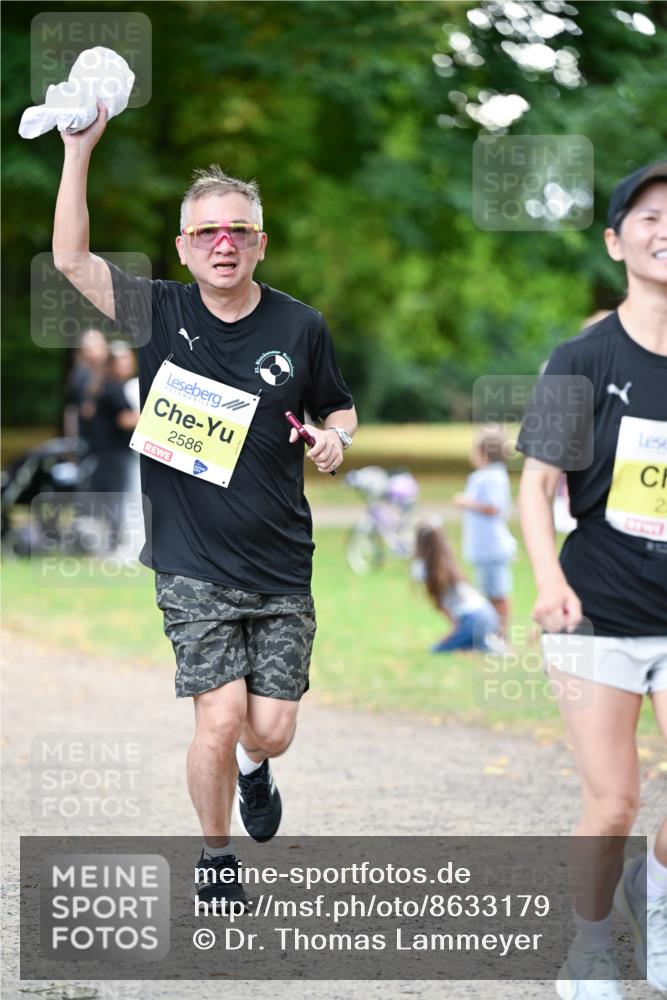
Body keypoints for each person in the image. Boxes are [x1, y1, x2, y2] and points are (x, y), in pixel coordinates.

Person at [51, 100, 357, 908]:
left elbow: (339, 406)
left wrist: (334, 439)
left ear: (260, 241)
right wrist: (79, 150)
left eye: (239, 231)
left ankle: (257, 771)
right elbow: (72, 259)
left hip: (281, 561)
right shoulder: (160, 311)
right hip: (190, 562)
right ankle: (215, 855)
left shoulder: (300, 325)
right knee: (216, 720)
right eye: (206, 232)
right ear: (186, 247)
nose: (224, 243)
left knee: (269, 730)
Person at [517, 161, 667, 998]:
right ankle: (586, 949)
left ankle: (656, 901)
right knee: (612, 803)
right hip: (596, 611)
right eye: (647, 216)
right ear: (616, 241)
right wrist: (545, 581)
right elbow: (535, 486)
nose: (663, 228)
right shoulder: (581, 358)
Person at [453, 428, 516, 638]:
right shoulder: (488, 476)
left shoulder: (490, 477)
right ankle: (492, 633)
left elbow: (493, 507)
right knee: (488, 592)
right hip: (483, 547)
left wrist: (466, 502)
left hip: (492, 547)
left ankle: (502, 634)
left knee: (498, 593)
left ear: (485, 453)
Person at [413, 522, 501, 653]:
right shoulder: (450, 566)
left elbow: (441, 605)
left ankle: (483, 646)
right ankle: (484, 645)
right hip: (489, 615)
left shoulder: (427, 570)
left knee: (436, 650)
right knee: (468, 644)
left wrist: (453, 633)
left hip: (472, 621)